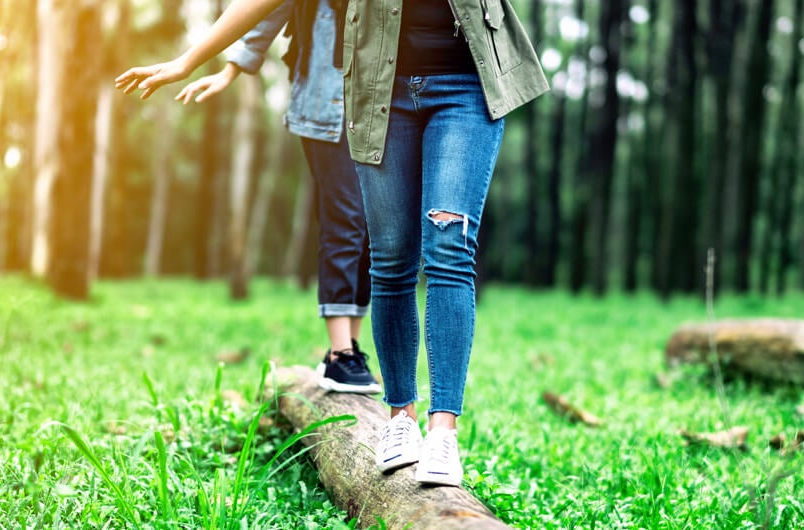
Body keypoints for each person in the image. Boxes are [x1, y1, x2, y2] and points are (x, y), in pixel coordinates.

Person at [116, 0, 548, 487]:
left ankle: (443, 430)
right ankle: (400, 418)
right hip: (378, 91)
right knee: (390, 258)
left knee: (448, 250)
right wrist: (188, 59)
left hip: (467, 87)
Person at [119, 1, 381, 394]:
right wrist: (229, 69)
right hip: (325, 106)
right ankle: (339, 352)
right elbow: (267, 10)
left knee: (370, 230)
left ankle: (348, 349)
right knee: (345, 220)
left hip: (382, 110)